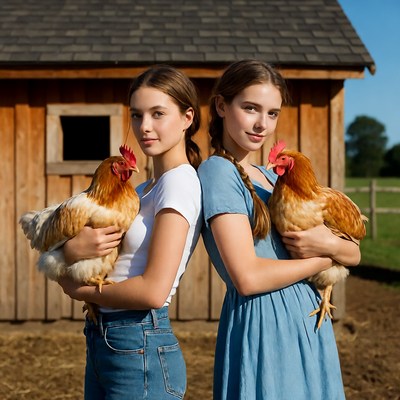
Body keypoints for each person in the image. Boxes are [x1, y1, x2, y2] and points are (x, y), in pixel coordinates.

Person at [197, 59, 361, 399]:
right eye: (250, 108)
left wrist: (325, 244)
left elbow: (355, 253)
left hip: (306, 317)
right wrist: (323, 258)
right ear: (222, 106)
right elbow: (248, 278)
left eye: (272, 113)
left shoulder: (274, 179)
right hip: (265, 323)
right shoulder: (218, 172)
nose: (262, 124)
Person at [58, 65, 203, 399]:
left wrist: (81, 291)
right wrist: (72, 252)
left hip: (138, 338)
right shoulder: (143, 189)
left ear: (187, 118)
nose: (145, 127)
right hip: (105, 337)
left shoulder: (179, 183)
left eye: (158, 114)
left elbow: (154, 291)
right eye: (137, 115)